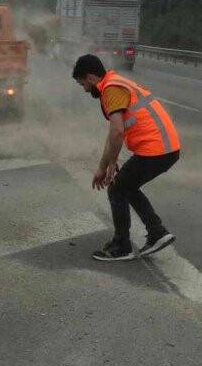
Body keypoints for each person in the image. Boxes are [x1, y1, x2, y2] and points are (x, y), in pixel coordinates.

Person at [72, 54, 181, 261]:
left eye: (83, 84)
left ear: (91, 77)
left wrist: (112, 164)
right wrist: (103, 166)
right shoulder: (115, 83)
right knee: (126, 186)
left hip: (156, 149)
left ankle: (122, 246)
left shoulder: (111, 89)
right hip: (166, 148)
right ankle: (157, 232)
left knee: (117, 189)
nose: (85, 90)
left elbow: (117, 132)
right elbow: (113, 134)